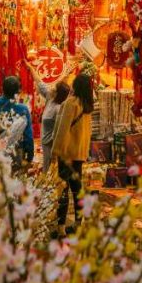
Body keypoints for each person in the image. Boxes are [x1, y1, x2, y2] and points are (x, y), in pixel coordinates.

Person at [51, 73, 93, 234]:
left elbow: (62, 129)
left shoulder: (71, 103)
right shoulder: (87, 106)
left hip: (67, 153)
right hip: (79, 154)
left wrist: (56, 151)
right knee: (77, 190)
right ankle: (78, 224)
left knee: (62, 189)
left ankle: (60, 227)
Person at [0, 76, 34, 164]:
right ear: (18, 92)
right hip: (15, 153)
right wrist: (29, 157)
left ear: (2, 88)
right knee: (14, 176)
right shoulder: (23, 110)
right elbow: (28, 136)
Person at [30, 65, 71, 167]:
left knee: (50, 171)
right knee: (46, 168)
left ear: (57, 94)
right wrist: (30, 67)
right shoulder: (50, 98)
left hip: (52, 147)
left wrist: (55, 151)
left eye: (54, 88)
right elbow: (39, 82)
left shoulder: (59, 109)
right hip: (45, 143)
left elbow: (60, 132)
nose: (52, 87)